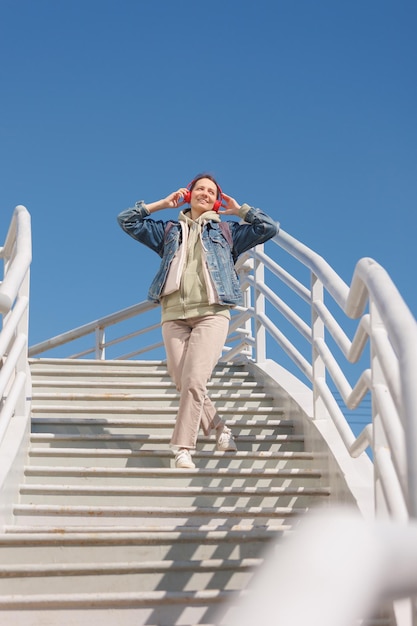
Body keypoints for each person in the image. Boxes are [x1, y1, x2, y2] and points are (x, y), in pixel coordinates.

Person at [117, 174, 279, 469]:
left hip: (212, 313)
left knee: (193, 381)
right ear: (188, 194)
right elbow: (127, 220)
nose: (204, 193)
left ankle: (182, 447)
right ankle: (220, 429)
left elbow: (268, 228)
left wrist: (240, 209)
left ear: (217, 198)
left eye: (211, 191)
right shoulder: (168, 230)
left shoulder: (228, 231)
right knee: (183, 381)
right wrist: (161, 204)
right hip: (174, 314)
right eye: (199, 189)